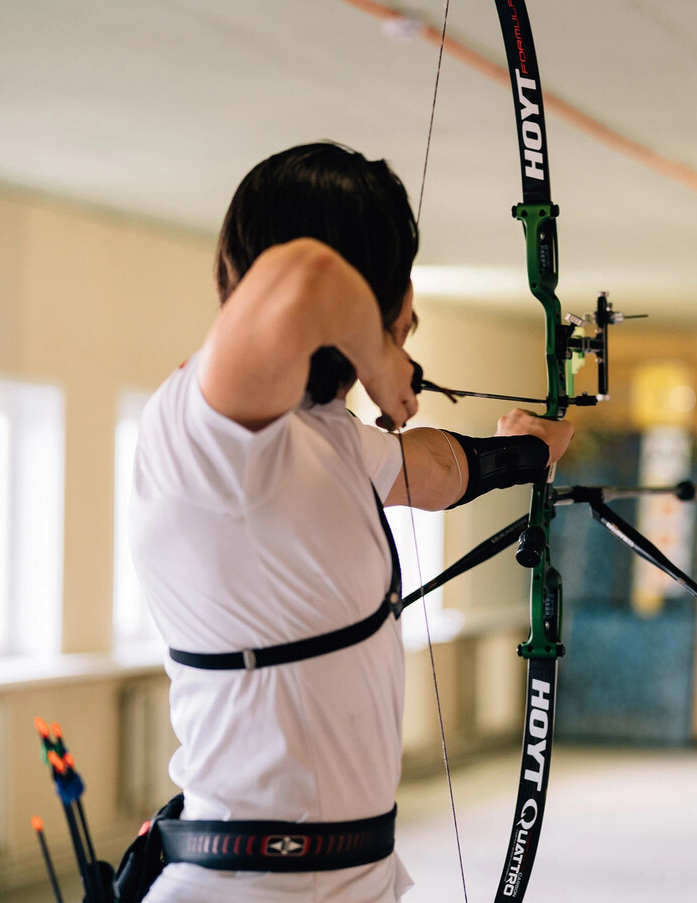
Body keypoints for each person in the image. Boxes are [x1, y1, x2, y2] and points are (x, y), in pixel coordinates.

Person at [129, 142, 574, 903]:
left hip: (350, 879)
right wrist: (375, 352)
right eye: (401, 304)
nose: (411, 324)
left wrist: (527, 452)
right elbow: (302, 278)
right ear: (370, 293)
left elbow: (427, 470)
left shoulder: (320, 437)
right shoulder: (206, 432)